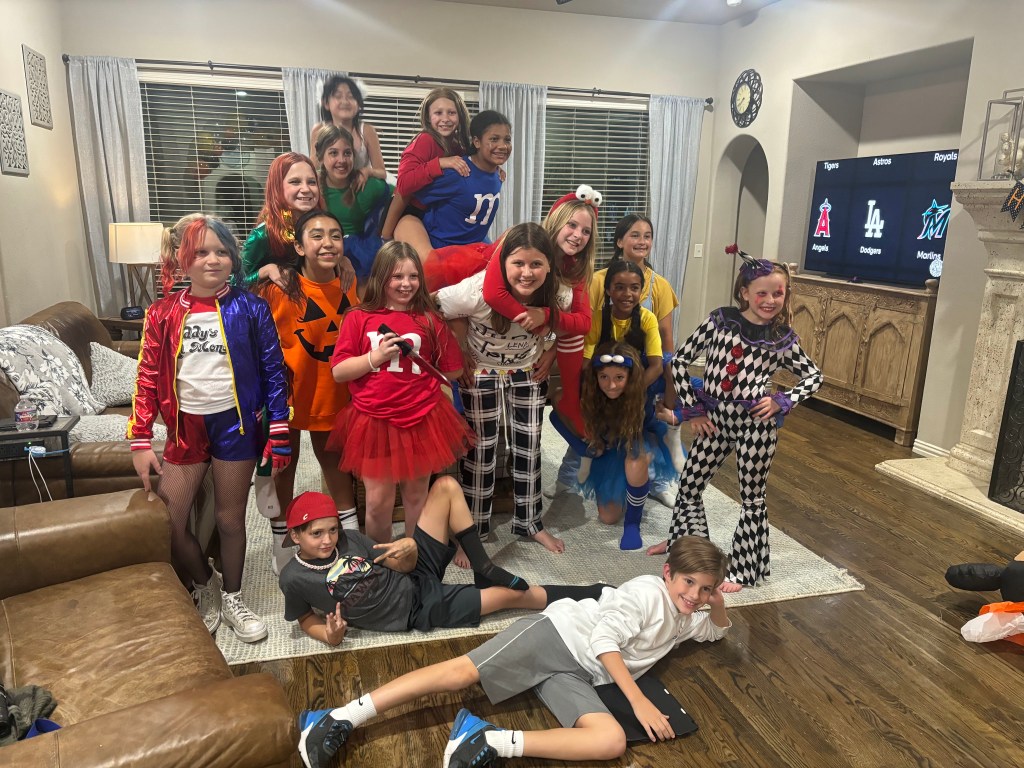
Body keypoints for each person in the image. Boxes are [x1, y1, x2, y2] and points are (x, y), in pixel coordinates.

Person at [296, 535, 731, 768]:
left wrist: (717, 603)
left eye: (705, 589)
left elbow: (713, 631)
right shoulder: (645, 595)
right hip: (558, 636)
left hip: (582, 674)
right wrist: (639, 702)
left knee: (611, 741)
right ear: (667, 572)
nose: (694, 595)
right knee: (460, 673)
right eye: (688, 583)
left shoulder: (687, 612)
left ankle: (488, 739)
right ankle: (338, 716)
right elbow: (603, 642)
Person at [128, 214, 290, 643]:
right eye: (200, 252)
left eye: (220, 251)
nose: (212, 260)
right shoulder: (161, 313)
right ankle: (205, 584)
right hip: (185, 429)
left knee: (230, 519)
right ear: (182, 259)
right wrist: (140, 438)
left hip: (236, 426)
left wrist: (279, 428)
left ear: (233, 258)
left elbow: (274, 372)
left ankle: (234, 596)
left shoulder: (252, 308)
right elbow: (147, 376)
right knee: (169, 521)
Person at [648, 247, 824, 591]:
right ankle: (687, 553)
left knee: (752, 497)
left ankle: (744, 569)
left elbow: (814, 376)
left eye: (778, 293)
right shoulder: (720, 320)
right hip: (714, 421)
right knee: (689, 486)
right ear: (744, 292)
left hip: (756, 426)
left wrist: (783, 400)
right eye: (762, 293)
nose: (770, 300)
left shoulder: (782, 338)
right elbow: (679, 361)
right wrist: (695, 410)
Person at [280, 481, 605, 649]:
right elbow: (305, 618)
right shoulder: (294, 578)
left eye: (332, 529)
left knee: (446, 487)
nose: (328, 540)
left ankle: (483, 566)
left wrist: (409, 549)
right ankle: (595, 593)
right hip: (418, 609)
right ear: (295, 536)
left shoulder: (350, 539)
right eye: (316, 534)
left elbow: (402, 568)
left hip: (413, 574)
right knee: (512, 596)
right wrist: (330, 635)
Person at [435, 223, 571, 554]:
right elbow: (434, 306)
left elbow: (567, 325)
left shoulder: (559, 293)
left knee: (529, 446)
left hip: (527, 370)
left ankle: (530, 522)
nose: (527, 273)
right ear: (503, 262)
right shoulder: (475, 290)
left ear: (549, 265)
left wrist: (551, 351)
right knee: (481, 450)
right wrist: (458, 347)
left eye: (536, 264)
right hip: (481, 371)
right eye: (518, 263)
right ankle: (473, 529)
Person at [328, 241, 475, 543]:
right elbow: (339, 371)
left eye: (413, 276)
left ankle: (415, 560)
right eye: (397, 276)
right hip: (373, 420)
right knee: (377, 502)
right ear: (381, 277)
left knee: (417, 498)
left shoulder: (430, 319)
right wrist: (376, 357)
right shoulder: (358, 317)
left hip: (421, 419)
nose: (406, 284)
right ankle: (382, 560)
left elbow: (452, 370)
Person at [259, 209, 361, 574]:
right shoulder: (279, 289)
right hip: (286, 395)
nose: (328, 243)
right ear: (299, 247)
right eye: (317, 236)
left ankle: (352, 537)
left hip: (332, 392)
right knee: (283, 469)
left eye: (335, 235)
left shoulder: (350, 282)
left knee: (335, 465)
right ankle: (282, 542)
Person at [587, 215, 684, 506]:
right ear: (619, 241)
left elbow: (666, 338)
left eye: (647, 235)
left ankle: (659, 476)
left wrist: (668, 378)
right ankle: (577, 470)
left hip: (644, 370)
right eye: (635, 235)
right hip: (606, 369)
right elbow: (590, 328)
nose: (642, 241)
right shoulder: (598, 280)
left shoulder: (660, 285)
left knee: (651, 418)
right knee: (593, 418)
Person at [550, 342, 674, 551]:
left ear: (631, 377)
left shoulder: (645, 389)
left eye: (619, 377)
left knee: (635, 459)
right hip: (607, 450)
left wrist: (670, 375)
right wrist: (582, 449)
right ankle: (632, 487)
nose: (612, 385)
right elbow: (556, 412)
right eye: (604, 377)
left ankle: (632, 523)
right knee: (608, 517)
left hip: (638, 441)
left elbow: (681, 397)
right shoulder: (588, 391)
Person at [399, 110, 510, 255]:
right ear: (477, 142)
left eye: (507, 140)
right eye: (494, 139)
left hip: (474, 250)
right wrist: (387, 232)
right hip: (443, 252)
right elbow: (410, 193)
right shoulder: (458, 172)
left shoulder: (497, 174)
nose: (503, 146)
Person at [239, 152, 355, 291]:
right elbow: (236, 282)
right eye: (295, 182)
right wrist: (266, 271)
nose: (306, 189)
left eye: (311, 182)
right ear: (277, 186)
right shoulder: (264, 233)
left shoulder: (324, 223)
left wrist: (342, 260)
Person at [380, 87, 472, 241]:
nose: (445, 118)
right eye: (438, 113)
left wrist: (493, 169)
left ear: (460, 116)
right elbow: (404, 184)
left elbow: (473, 168)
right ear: (428, 117)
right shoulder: (425, 140)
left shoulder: (458, 147)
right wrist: (439, 163)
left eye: (451, 112)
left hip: (434, 213)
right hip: (409, 211)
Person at [313, 124, 393, 291]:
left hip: (360, 251)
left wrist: (386, 232)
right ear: (320, 156)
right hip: (323, 252)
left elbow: (400, 194)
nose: (342, 160)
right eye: (333, 153)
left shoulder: (365, 186)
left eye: (347, 153)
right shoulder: (312, 188)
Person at [308, 75, 386, 191]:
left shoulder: (367, 131)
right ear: (326, 103)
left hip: (359, 190)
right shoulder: (319, 130)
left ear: (358, 104)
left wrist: (367, 171)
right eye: (338, 96)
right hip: (330, 192)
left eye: (351, 97)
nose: (345, 101)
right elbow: (313, 168)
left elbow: (382, 172)